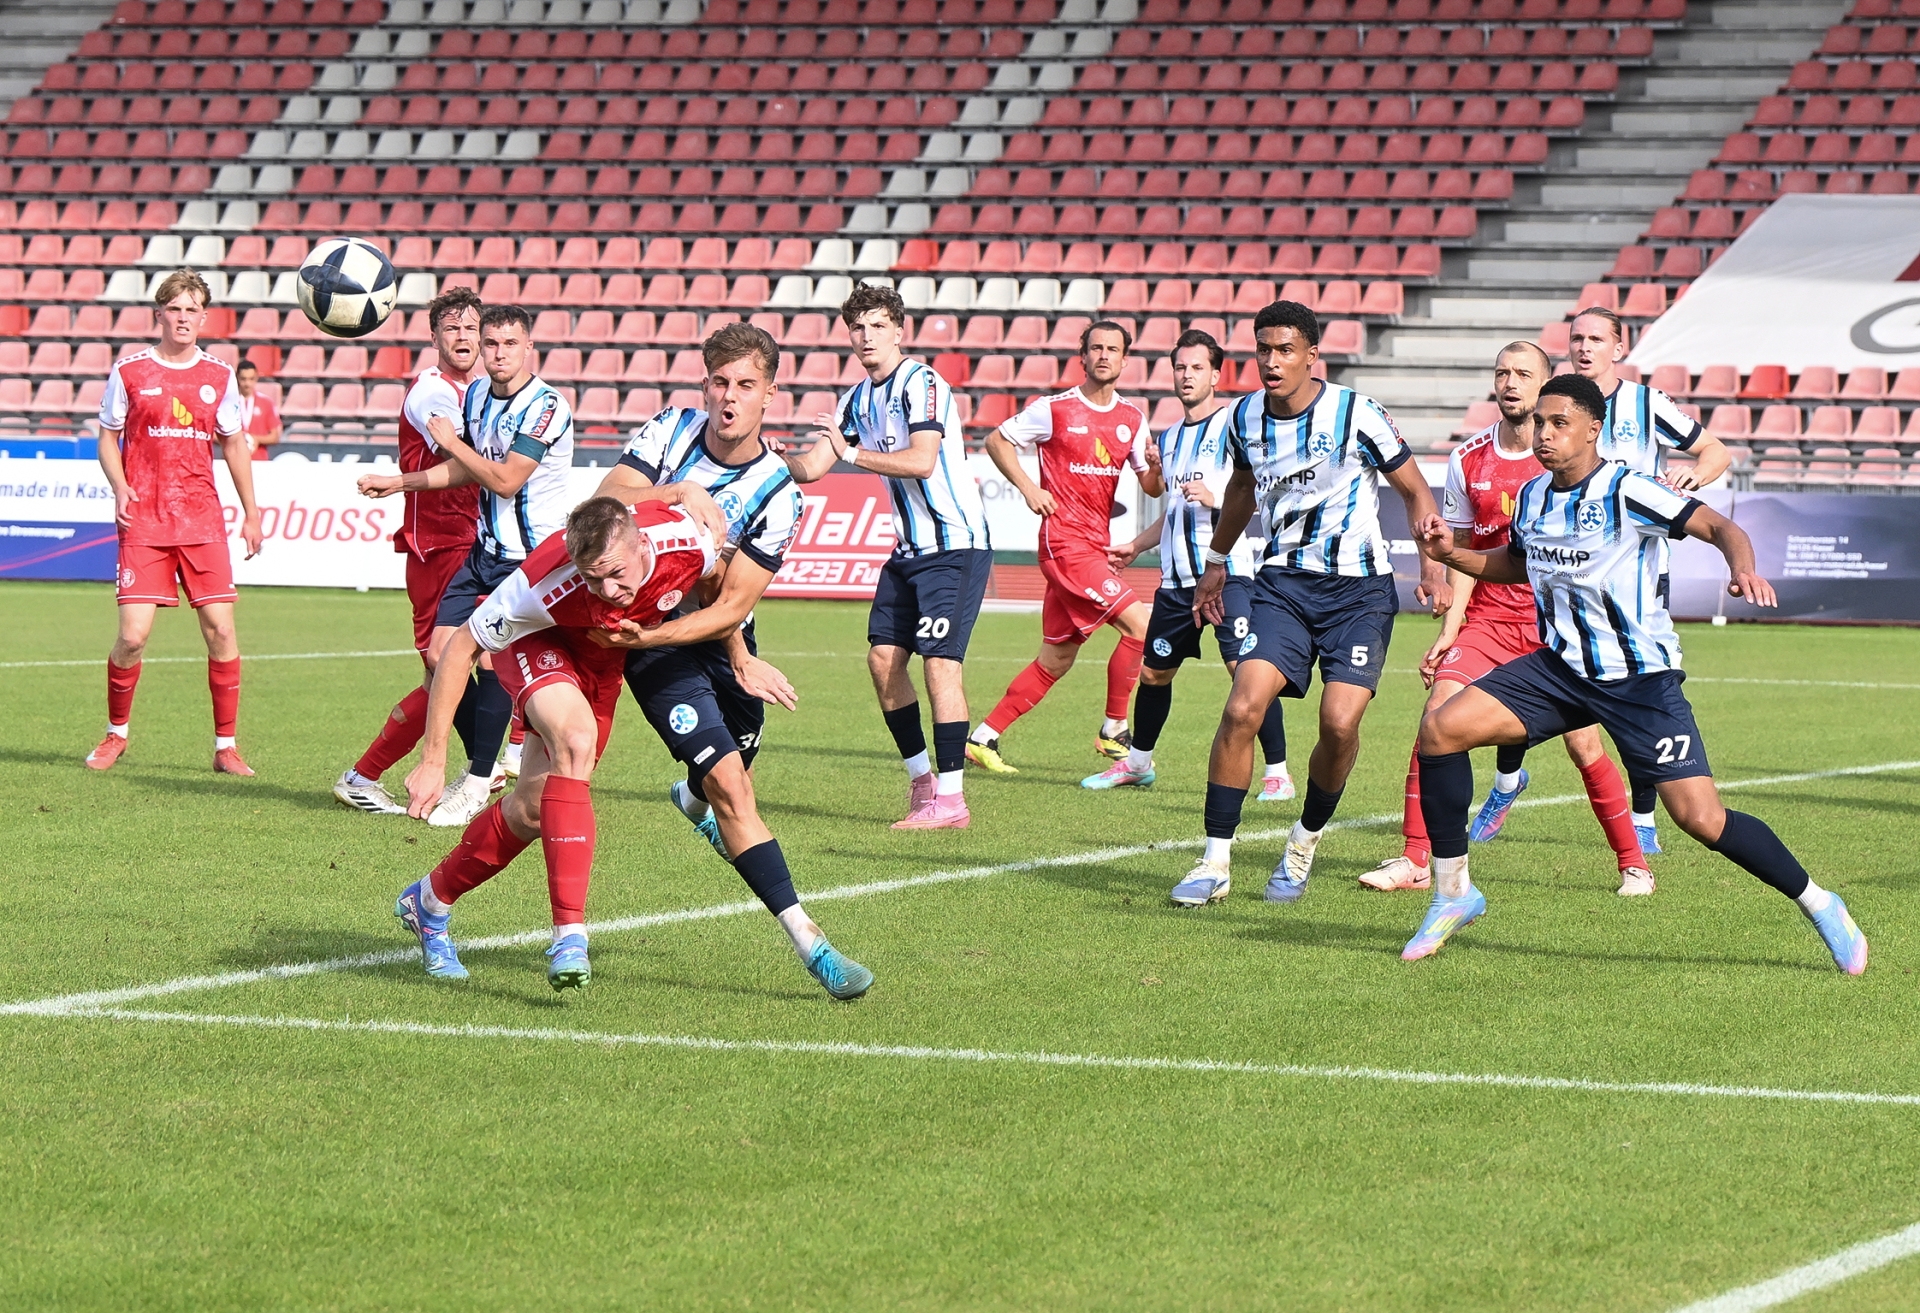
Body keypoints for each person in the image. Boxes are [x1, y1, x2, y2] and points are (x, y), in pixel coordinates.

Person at [1402, 373, 1867, 975]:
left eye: (1559, 423)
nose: (1544, 434)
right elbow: (1516, 563)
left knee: (1700, 818)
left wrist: (1742, 568)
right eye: (1540, 423)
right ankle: (1453, 893)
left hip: (1640, 680)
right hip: (1561, 670)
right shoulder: (1535, 496)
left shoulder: (1628, 489)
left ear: (1593, 430)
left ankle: (1822, 903)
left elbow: (1721, 527)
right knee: (1440, 731)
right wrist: (1450, 555)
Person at [588, 323, 875, 1001]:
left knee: (726, 777)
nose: (729, 397)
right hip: (656, 638)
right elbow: (603, 503)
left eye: (746, 385)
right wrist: (679, 495)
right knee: (734, 789)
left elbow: (731, 602)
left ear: (769, 394)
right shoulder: (671, 431)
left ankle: (692, 798)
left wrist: (739, 655)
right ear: (705, 385)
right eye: (719, 382)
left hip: (719, 637)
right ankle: (814, 944)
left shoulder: (778, 491)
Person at [1178, 301, 1446, 907]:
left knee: (1339, 724)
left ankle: (1303, 842)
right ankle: (1214, 862)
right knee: (1242, 708)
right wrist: (1216, 563)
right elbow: (1241, 489)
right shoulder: (1243, 417)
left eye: (1285, 350)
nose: (1272, 362)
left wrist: (1431, 565)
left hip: (1359, 594)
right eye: (1263, 350)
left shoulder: (1356, 413)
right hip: (1283, 587)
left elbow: (1414, 489)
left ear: (1311, 355)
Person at [1361, 343, 1652, 896]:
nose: (1510, 382)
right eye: (1502, 373)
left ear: (1546, 387)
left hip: (1556, 625)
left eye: (1523, 373)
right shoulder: (1468, 458)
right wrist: (1449, 631)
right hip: (1490, 621)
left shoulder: (1573, 460)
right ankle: (1416, 859)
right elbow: (1467, 553)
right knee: (1435, 718)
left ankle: (1633, 863)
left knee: (1584, 745)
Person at [393, 497, 717, 989]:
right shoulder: (539, 586)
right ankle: (570, 936)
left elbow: (722, 587)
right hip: (539, 643)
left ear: (641, 545)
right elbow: (460, 648)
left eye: (616, 574)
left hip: (603, 665)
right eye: (593, 579)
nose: (608, 591)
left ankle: (428, 902)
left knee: (532, 810)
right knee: (576, 740)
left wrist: (740, 655)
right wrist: (433, 760)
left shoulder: (689, 540)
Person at [355, 304, 574, 828]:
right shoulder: (475, 395)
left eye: (508, 344)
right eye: (490, 343)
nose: (497, 353)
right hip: (483, 553)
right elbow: (464, 470)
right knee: (440, 655)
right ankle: (450, 766)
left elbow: (506, 480)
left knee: (492, 658)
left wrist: (452, 441)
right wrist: (401, 483)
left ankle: (478, 779)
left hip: (529, 559)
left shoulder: (546, 405)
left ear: (528, 348)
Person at [783, 286, 992, 828]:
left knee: (940, 663)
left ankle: (952, 801)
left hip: (954, 544)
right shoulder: (856, 399)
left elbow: (923, 461)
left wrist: (851, 451)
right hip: (908, 551)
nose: (867, 336)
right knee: (882, 661)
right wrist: (770, 456)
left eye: (878, 325)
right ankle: (923, 782)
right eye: (858, 327)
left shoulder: (922, 382)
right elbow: (812, 468)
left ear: (899, 331)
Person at [1083, 329, 1292, 803]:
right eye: (1180, 367)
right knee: (1154, 674)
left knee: (1247, 672)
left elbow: (1261, 494)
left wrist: (1216, 499)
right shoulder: (1171, 436)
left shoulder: (1236, 426)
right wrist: (1136, 545)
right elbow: (1175, 509)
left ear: (1216, 375)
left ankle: (1277, 773)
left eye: (1198, 367)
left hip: (1226, 575)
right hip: (1176, 582)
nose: (1187, 376)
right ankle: (1138, 764)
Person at [1565, 305, 1733, 856]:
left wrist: (1693, 474)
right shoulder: (1557, 403)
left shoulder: (1646, 403)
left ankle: (1642, 816)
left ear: (1619, 347)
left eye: (1596, 339)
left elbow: (1716, 450)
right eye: (1577, 338)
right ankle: (1507, 778)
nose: (1584, 347)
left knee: (1634, 691)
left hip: (1636, 574)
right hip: (1564, 570)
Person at [85, 268, 264, 775]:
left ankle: (226, 747)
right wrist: (120, 486)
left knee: (221, 632)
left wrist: (251, 512)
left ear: (204, 318)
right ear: (158, 315)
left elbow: (234, 445)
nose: (183, 318)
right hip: (144, 521)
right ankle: (116, 734)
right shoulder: (130, 372)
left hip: (202, 521)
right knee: (133, 637)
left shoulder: (220, 376)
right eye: (175, 309)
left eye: (192, 310)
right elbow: (107, 438)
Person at [965, 321, 1154, 774]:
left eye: (1112, 349)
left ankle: (983, 738)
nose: (1104, 355)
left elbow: (1150, 484)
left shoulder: (1132, 419)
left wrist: (1160, 471)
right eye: (1096, 348)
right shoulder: (1056, 409)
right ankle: (1114, 729)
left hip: (1095, 546)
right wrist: (1029, 488)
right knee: (1142, 626)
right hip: (1065, 544)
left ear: (1125, 360)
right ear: (1082, 356)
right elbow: (996, 439)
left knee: (1057, 658)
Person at [336, 288, 486, 815]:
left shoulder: (480, 390)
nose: (463, 336)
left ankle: (366, 776)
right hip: (441, 543)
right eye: (452, 328)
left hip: (476, 540)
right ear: (435, 337)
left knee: (463, 665)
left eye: (471, 328)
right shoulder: (433, 393)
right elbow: (462, 458)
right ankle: (489, 767)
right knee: (450, 663)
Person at [234, 360, 280, 461]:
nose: (247, 384)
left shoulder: (266, 403)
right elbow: (213, 434)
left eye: (251, 379)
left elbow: (275, 436)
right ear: (237, 378)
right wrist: (235, 440)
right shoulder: (227, 402)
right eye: (243, 379)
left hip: (259, 462)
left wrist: (256, 439)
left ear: (256, 377)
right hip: (233, 461)